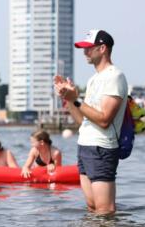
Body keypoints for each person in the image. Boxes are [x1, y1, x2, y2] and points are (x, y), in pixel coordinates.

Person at [53, 29, 128, 214]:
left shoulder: (114, 76)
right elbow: (82, 121)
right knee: (92, 207)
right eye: (84, 48)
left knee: (105, 210)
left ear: (102, 48)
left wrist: (77, 99)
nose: (84, 52)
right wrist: (69, 98)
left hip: (102, 147)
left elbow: (104, 120)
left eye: (89, 48)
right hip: (85, 145)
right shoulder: (94, 79)